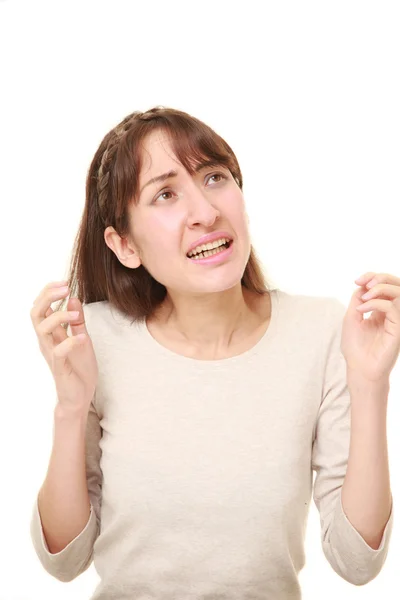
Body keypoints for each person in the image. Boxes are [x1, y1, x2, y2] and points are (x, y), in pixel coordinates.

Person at [29, 106, 393, 599]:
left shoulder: (322, 330)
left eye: (215, 177)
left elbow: (356, 562)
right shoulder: (95, 340)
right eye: (165, 194)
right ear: (124, 245)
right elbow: (65, 559)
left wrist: (370, 385)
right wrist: (71, 407)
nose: (205, 211)